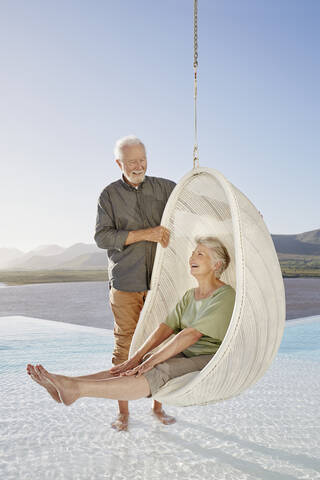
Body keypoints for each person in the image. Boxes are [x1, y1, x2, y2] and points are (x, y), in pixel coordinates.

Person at [26, 236, 236, 419]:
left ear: (217, 265)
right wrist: (137, 358)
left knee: (161, 368)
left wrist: (150, 361)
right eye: (193, 252)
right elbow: (166, 328)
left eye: (200, 254)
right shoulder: (190, 295)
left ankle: (77, 388)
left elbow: (191, 334)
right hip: (184, 351)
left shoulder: (225, 296)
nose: (192, 257)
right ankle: (64, 383)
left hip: (210, 358)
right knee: (132, 365)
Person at [94, 135, 176, 430]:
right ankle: (123, 412)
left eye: (142, 160)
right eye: (131, 162)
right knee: (124, 348)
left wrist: (239, 217)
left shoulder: (167, 188)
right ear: (119, 163)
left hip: (160, 283)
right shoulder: (108, 196)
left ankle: (158, 406)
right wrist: (145, 234)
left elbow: (197, 207)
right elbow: (102, 237)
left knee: (162, 345)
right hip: (125, 284)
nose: (138, 166)